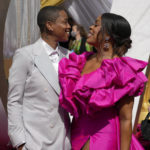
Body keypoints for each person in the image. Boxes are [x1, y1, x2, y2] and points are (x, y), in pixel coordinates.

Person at [58, 13, 148, 150]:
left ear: (108, 35)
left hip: (105, 138)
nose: (90, 27)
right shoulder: (80, 61)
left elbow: (126, 119)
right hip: (76, 134)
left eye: (96, 24)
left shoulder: (122, 71)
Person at [7, 6, 71, 150]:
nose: (69, 26)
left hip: (64, 140)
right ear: (49, 25)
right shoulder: (25, 55)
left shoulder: (69, 56)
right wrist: (20, 143)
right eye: (65, 22)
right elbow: (14, 100)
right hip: (35, 141)